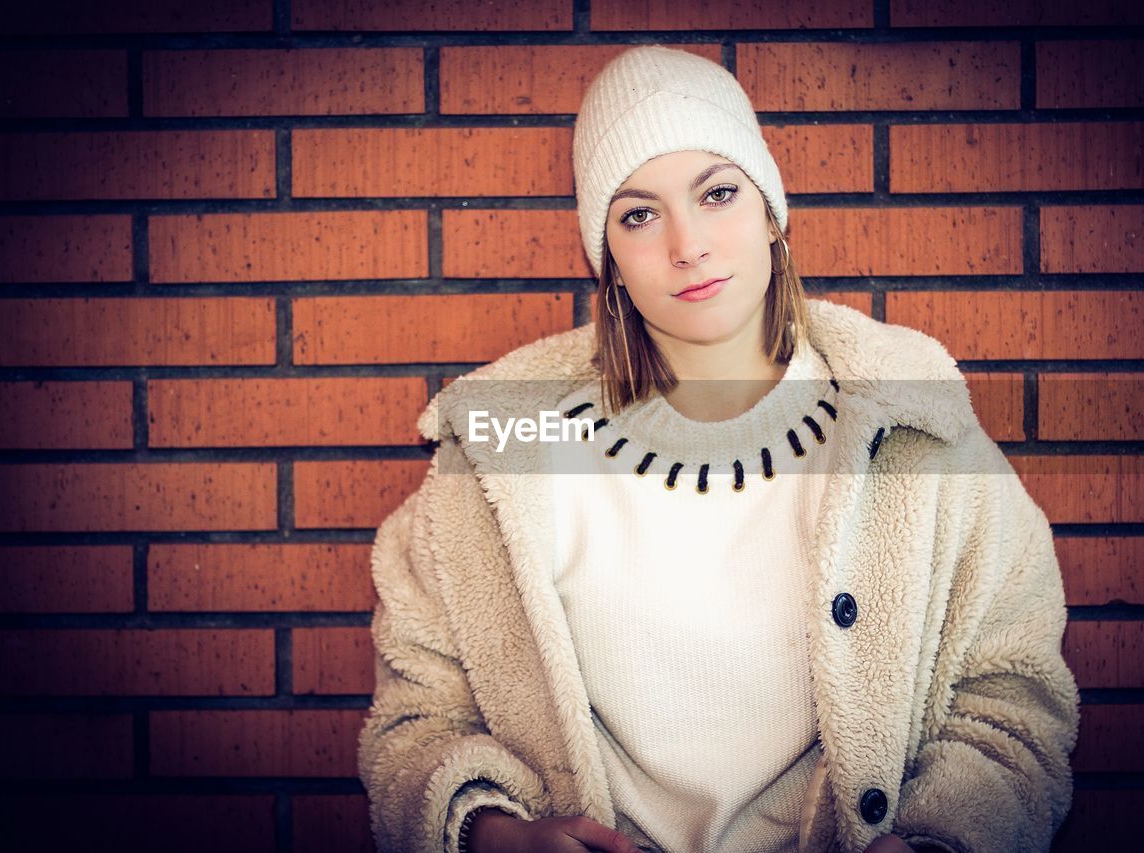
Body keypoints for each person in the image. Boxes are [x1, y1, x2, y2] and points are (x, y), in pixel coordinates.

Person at [358, 46, 1078, 853]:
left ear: (771, 212)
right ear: (608, 262)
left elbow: (1012, 699)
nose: (687, 244)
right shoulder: (502, 451)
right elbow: (418, 720)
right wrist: (495, 835)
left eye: (718, 193)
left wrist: (933, 841)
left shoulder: (913, 428)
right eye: (639, 214)